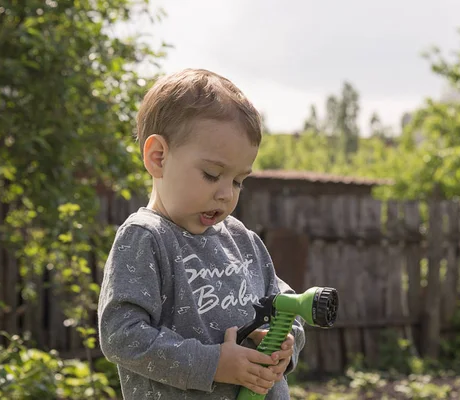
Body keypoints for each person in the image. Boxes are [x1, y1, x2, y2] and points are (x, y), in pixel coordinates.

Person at [97, 68, 306, 399]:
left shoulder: (242, 240)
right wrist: (213, 364)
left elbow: (286, 306)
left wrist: (286, 344)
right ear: (158, 157)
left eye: (238, 181)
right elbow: (121, 336)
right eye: (212, 175)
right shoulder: (146, 238)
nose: (227, 194)